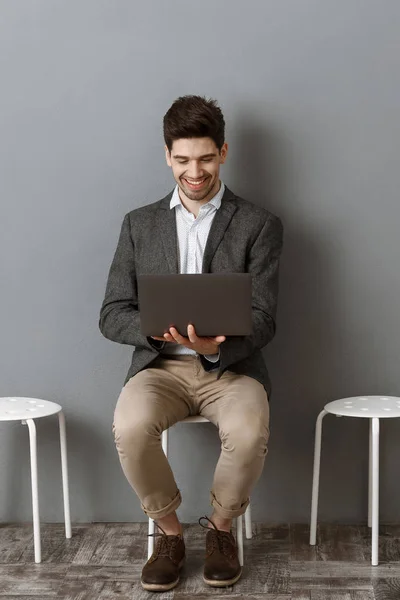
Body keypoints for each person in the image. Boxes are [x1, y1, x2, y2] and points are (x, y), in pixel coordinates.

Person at [99, 95, 284, 592]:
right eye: (182, 159)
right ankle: (171, 533)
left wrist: (212, 345)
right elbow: (112, 313)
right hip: (160, 368)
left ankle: (221, 532)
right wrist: (156, 331)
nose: (194, 171)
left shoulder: (259, 224)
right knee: (130, 426)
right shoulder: (139, 224)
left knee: (249, 431)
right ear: (167, 156)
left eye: (205, 157)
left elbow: (265, 320)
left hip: (230, 369)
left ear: (223, 152)